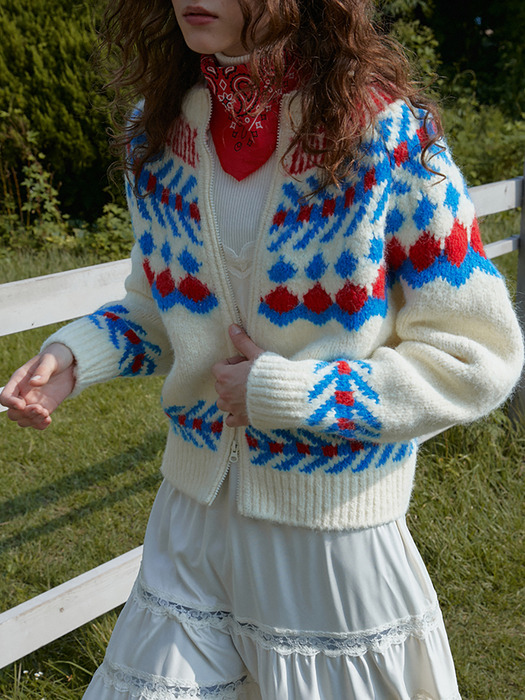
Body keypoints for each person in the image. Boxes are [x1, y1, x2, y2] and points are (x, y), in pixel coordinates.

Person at [1, 0, 523, 697]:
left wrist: (293, 397)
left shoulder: (386, 135)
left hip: (329, 539)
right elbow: (160, 308)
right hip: (188, 525)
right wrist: (74, 356)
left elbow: (475, 354)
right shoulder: (154, 138)